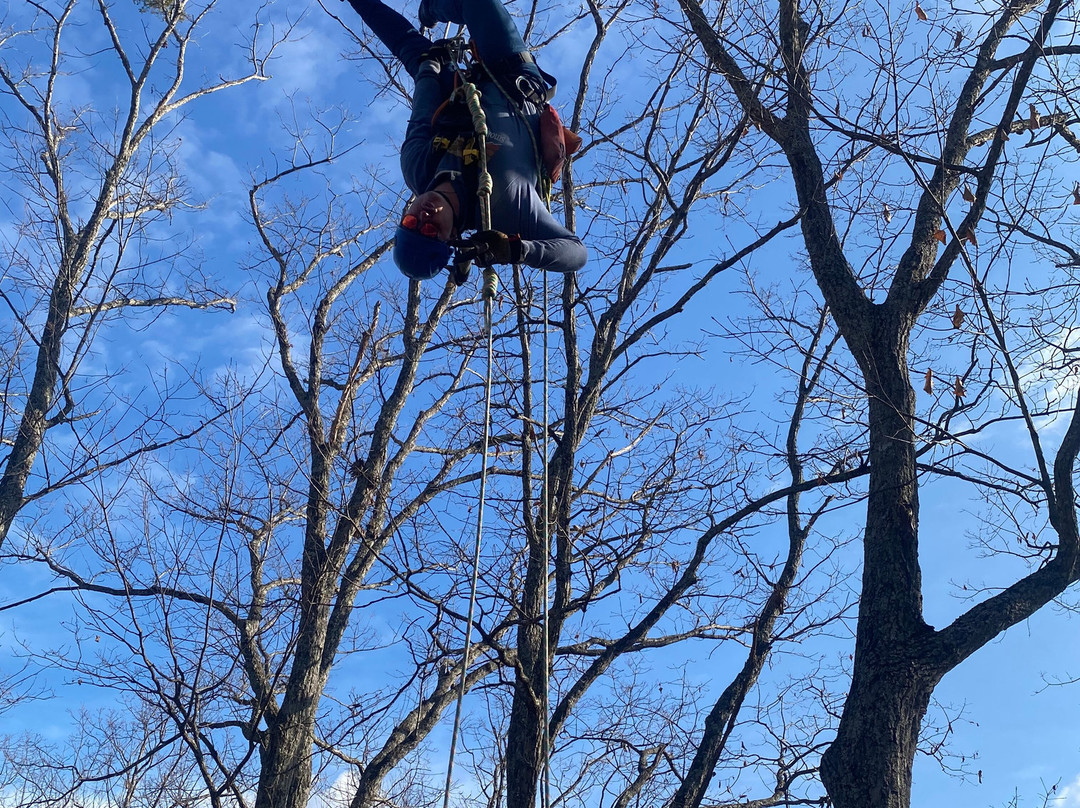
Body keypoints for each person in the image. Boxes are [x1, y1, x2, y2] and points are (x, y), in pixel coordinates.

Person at [342, 0, 587, 280]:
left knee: (411, 49)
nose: (424, 217)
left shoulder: (418, 167)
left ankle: (423, 7)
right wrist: (516, 250)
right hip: (513, 76)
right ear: (452, 237)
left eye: (411, 222)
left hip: (456, 90)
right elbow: (576, 252)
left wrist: (431, 64)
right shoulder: (505, 210)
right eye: (431, 231)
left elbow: (423, 110)